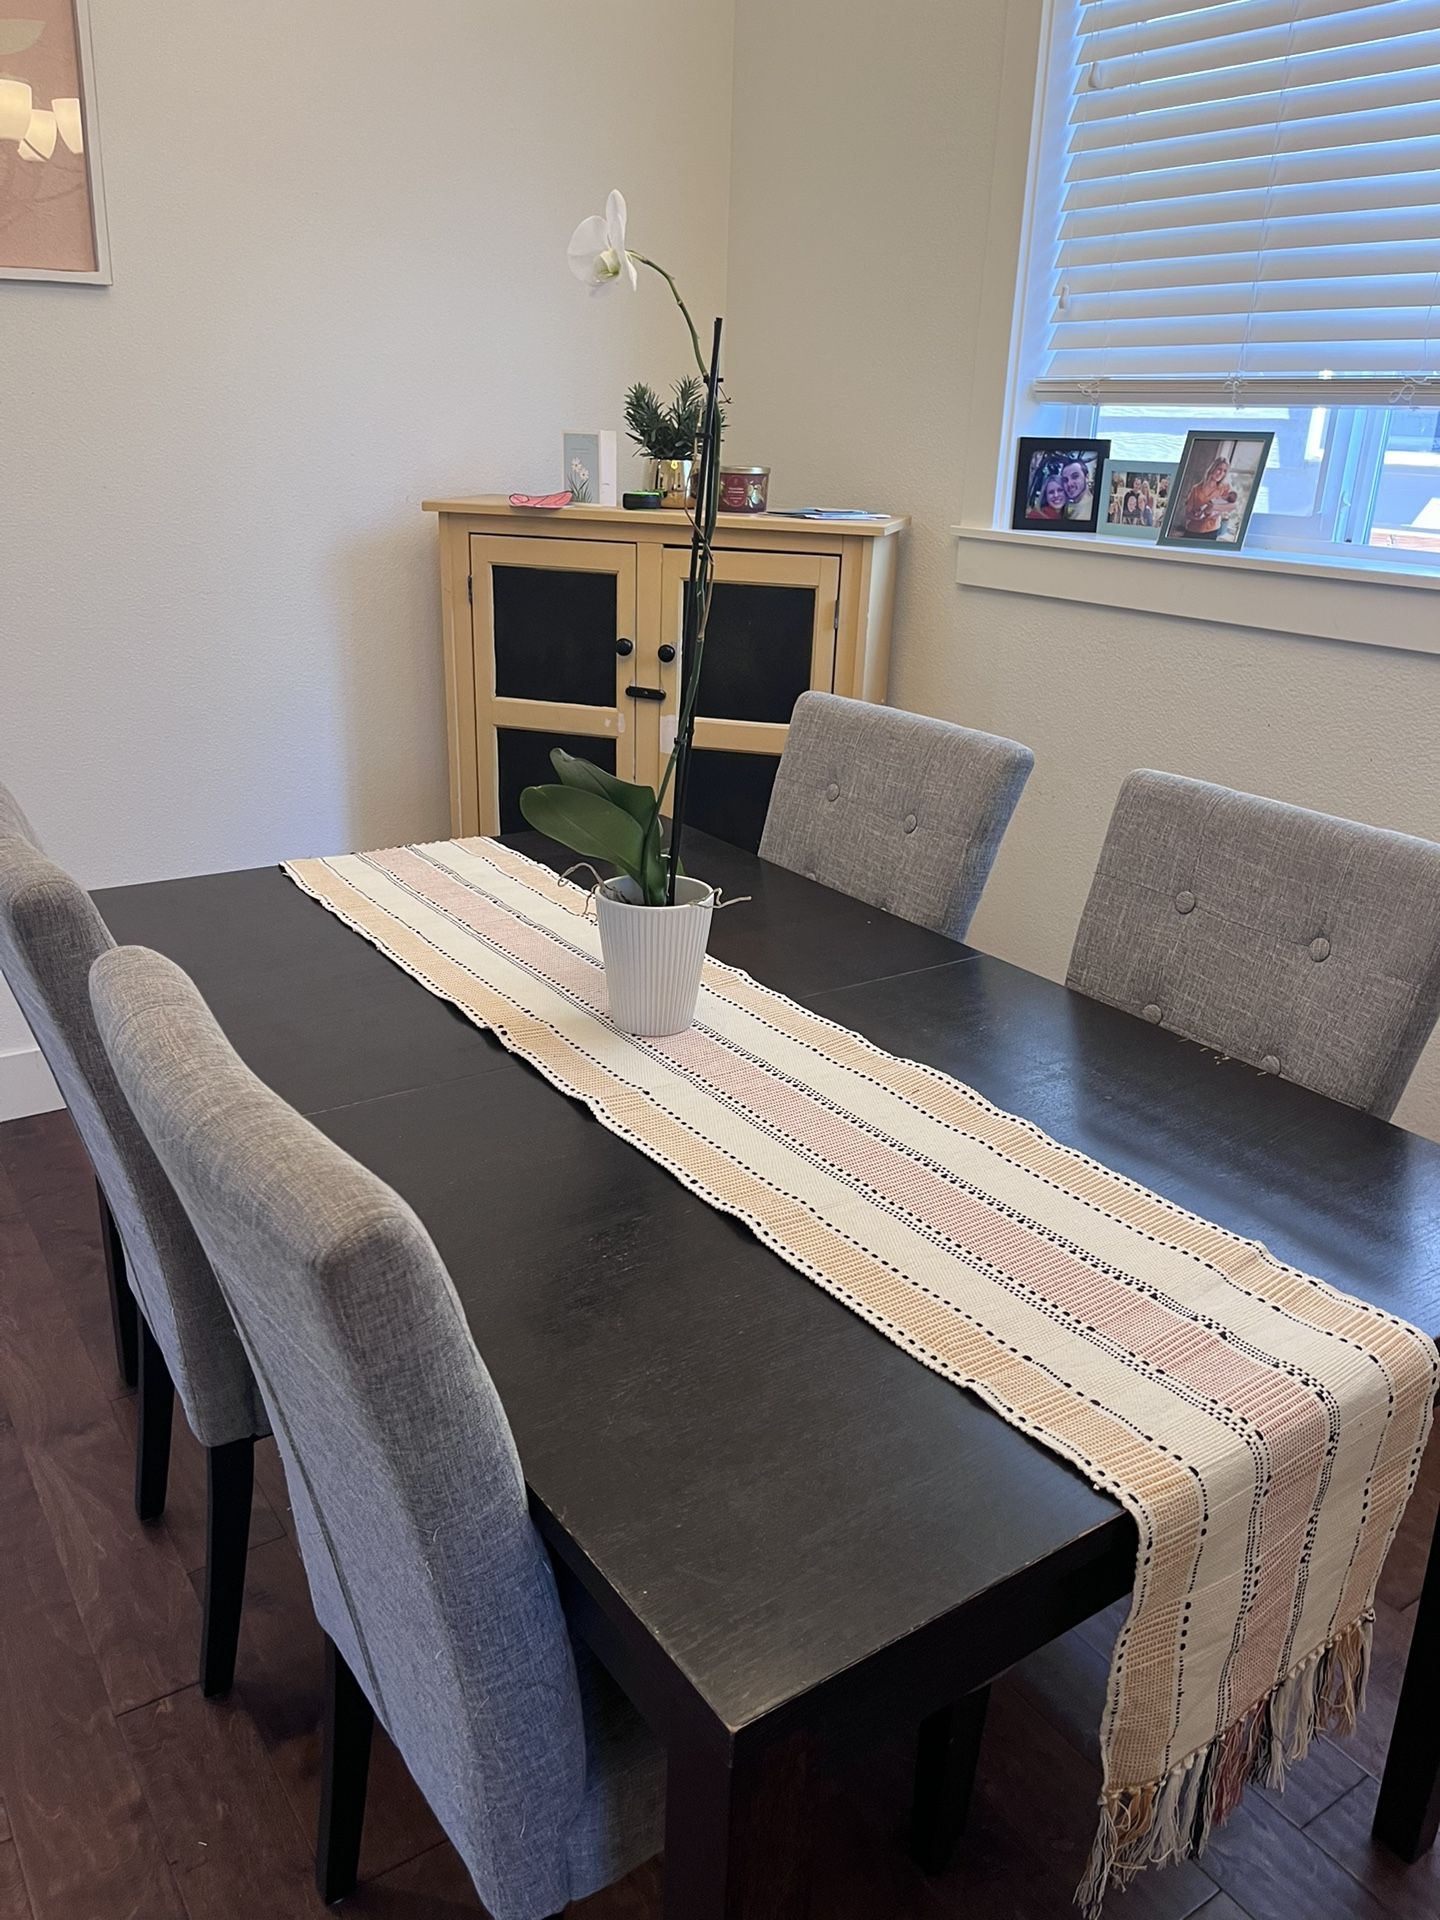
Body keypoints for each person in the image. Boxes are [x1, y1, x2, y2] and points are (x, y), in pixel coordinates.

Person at [1181, 453, 1239, 540]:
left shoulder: (1225, 488)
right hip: (1192, 531)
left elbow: (1234, 505)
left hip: (1211, 532)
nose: (1221, 473)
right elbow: (1187, 513)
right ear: (1212, 468)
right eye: (1219, 469)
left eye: (1224, 471)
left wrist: (1213, 507)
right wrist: (1196, 517)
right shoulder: (1196, 489)